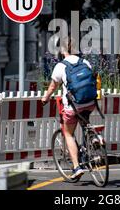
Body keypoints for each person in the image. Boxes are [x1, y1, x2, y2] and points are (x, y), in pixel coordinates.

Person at [41, 38, 96, 180]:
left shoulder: (61, 66)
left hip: (73, 106)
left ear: (62, 50)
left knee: (68, 134)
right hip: (90, 103)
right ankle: (92, 140)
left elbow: (53, 86)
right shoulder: (85, 62)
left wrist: (45, 98)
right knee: (85, 121)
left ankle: (77, 167)